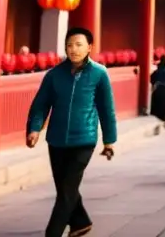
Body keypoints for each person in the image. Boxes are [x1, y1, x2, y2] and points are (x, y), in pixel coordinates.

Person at [26, 27, 117, 237]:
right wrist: (34, 129)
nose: (73, 49)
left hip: (84, 139)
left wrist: (109, 141)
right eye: (69, 45)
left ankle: (53, 233)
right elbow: (40, 105)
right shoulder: (54, 75)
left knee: (66, 191)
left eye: (78, 44)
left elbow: (107, 108)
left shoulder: (99, 74)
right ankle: (81, 222)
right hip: (56, 140)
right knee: (65, 188)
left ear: (89, 47)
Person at [149, 56, 165, 127]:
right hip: (163, 90)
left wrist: (156, 83)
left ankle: (161, 120)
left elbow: (151, 79)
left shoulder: (156, 71)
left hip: (156, 90)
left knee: (158, 107)